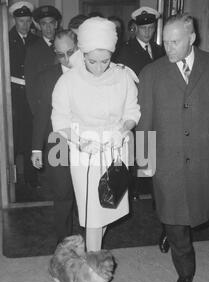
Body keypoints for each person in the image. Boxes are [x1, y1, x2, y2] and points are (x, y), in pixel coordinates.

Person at [136, 13, 209, 282]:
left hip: (202, 161)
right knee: (175, 219)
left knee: (196, 215)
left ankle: (170, 230)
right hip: (166, 162)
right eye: (165, 41)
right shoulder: (151, 73)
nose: (168, 48)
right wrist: (143, 160)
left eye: (175, 42)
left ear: (192, 38)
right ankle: (185, 272)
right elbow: (145, 121)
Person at [52, 17, 140, 254]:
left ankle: (90, 259)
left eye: (105, 61)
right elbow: (59, 120)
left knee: (106, 212)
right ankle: (93, 274)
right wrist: (81, 142)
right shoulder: (68, 81)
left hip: (116, 151)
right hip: (85, 154)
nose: (99, 67)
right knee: (92, 216)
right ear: (82, 53)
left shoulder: (123, 77)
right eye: (92, 61)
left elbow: (133, 111)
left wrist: (123, 129)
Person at [31, 30, 79, 247]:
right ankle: (64, 244)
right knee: (62, 195)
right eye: (61, 55)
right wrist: (36, 149)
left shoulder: (92, 72)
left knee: (87, 196)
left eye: (71, 52)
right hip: (57, 143)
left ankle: (91, 242)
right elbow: (41, 116)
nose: (67, 60)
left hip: (86, 143)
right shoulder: (46, 77)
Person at [8, 1, 39, 187]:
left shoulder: (35, 40)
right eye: (21, 21)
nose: (25, 25)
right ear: (15, 20)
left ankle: (31, 178)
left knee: (30, 136)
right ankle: (10, 181)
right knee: (12, 137)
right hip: (12, 94)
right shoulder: (6, 38)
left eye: (28, 21)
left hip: (31, 95)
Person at [24, 5, 62, 114]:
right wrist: (35, 110)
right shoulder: (33, 50)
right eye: (44, 24)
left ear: (56, 24)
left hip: (63, 104)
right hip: (43, 107)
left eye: (51, 23)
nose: (48, 28)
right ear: (39, 26)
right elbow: (30, 83)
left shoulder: (64, 45)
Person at [116, 6, 165, 76]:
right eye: (143, 28)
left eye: (150, 28)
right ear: (136, 28)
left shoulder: (159, 50)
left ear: (154, 29)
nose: (147, 32)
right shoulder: (126, 50)